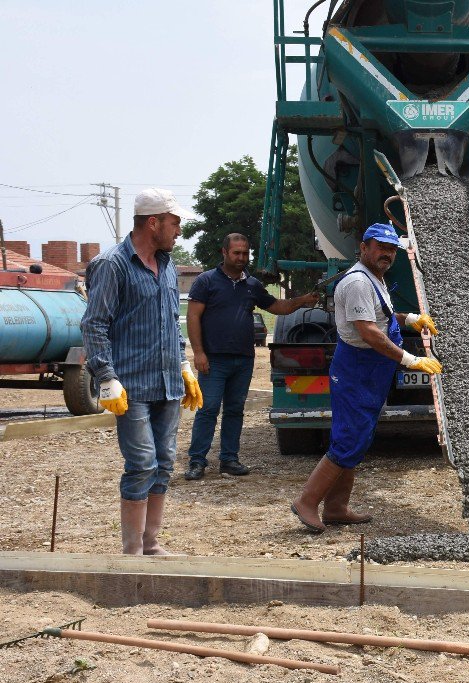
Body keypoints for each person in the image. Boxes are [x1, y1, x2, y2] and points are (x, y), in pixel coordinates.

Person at [291, 223, 443, 532]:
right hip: (357, 369)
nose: (386, 253)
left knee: (358, 438)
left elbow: (382, 317)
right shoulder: (359, 281)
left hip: (370, 370)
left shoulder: (375, 279)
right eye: (380, 247)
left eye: (391, 249)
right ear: (364, 248)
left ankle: (336, 507)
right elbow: (369, 332)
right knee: (349, 438)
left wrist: (411, 319)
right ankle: (306, 501)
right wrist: (411, 359)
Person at [81, 188, 204, 555]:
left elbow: (170, 320)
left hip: (166, 382)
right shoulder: (112, 265)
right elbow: (95, 324)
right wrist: (106, 375)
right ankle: (132, 551)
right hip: (130, 385)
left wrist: (183, 363)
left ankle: (151, 545)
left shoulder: (167, 266)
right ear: (153, 223)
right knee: (142, 463)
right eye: (175, 222)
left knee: (164, 462)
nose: (179, 230)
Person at [183, 233, 321, 480]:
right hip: (213, 360)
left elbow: (278, 307)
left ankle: (229, 460)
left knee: (235, 410)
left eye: (245, 253)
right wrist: (199, 353)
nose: (241, 258)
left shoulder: (252, 285)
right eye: (236, 253)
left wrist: (303, 300)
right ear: (224, 253)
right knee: (209, 409)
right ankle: (197, 462)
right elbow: (193, 317)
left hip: (243, 360)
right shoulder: (206, 281)